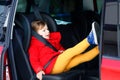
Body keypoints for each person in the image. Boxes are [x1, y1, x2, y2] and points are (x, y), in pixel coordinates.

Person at [28, 20, 100, 80]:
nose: (47, 32)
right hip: (51, 67)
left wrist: (61, 51)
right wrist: (39, 70)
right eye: (44, 30)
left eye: (47, 29)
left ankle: (99, 49)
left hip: (60, 64)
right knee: (70, 52)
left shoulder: (51, 40)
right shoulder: (34, 45)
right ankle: (90, 39)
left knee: (80, 58)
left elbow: (59, 48)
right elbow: (34, 60)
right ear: (36, 34)